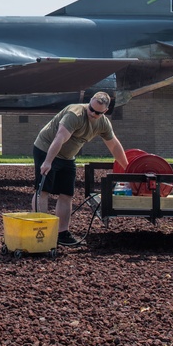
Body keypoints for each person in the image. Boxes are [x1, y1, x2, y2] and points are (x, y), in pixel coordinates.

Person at [32, 91, 128, 246]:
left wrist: (128, 169)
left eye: (98, 112)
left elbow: (114, 146)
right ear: (89, 102)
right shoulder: (74, 114)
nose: (93, 113)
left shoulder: (103, 123)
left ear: (105, 111)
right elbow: (59, 138)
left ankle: (62, 234)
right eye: (91, 109)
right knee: (43, 190)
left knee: (67, 194)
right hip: (46, 149)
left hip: (68, 157)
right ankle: (42, 233)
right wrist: (48, 161)